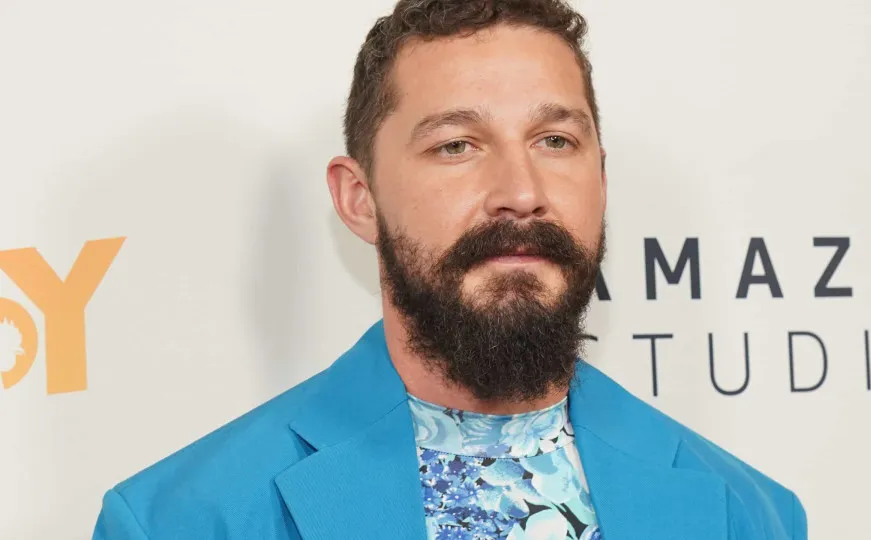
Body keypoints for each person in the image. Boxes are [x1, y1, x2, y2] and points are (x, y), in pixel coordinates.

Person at [93, 0, 807, 538]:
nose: (521, 192)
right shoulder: (180, 520)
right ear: (359, 198)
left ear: (601, 178)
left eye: (556, 140)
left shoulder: (752, 514)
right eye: (457, 145)